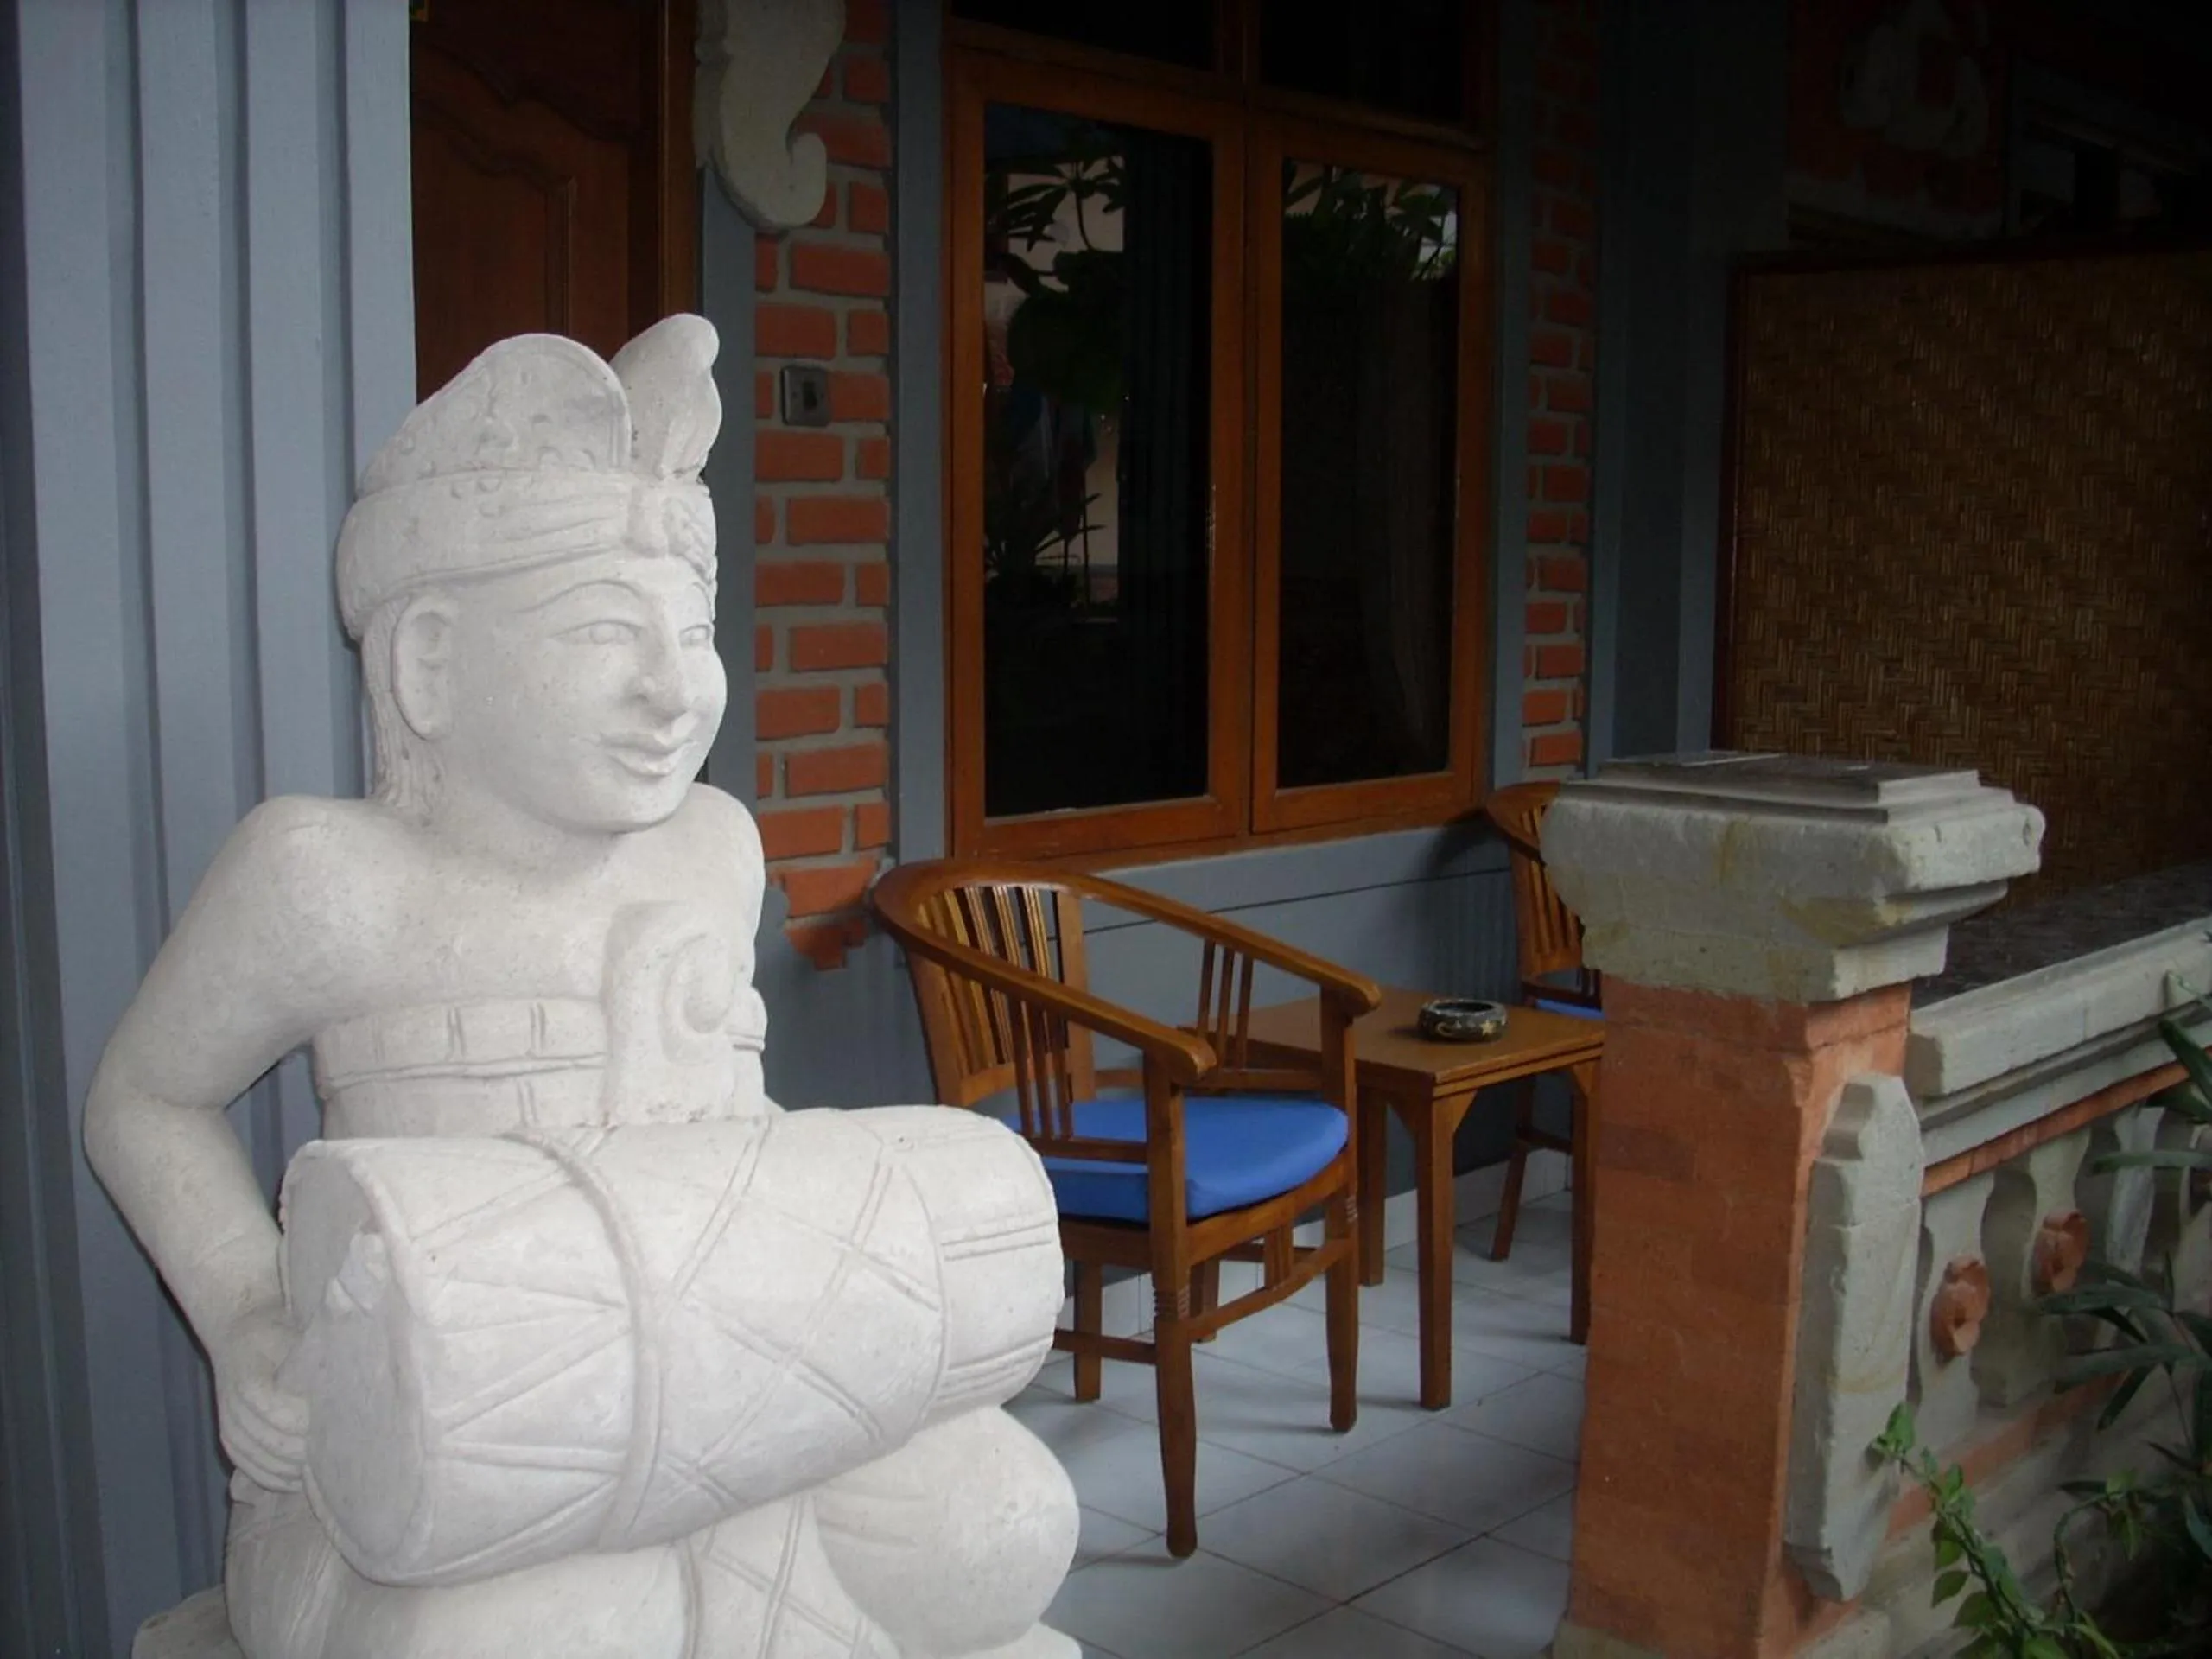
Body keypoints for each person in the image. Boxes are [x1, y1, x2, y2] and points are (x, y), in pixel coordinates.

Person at [86, 316, 1076, 1659]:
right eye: (607, 631)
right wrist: (251, 1308)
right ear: (429, 663)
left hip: (730, 1392)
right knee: (521, 1633)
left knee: (1002, 1520)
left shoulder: (713, 849)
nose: (673, 691)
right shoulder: (327, 877)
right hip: (439, 1446)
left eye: (692, 630)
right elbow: (145, 1098)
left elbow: (732, 1143)